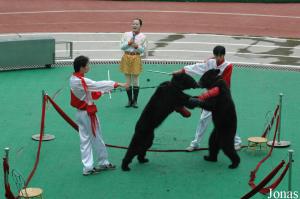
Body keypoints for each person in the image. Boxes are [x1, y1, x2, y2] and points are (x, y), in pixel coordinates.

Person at [173, 45, 242, 151]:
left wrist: (203, 96)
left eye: (220, 56)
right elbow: (197, 67)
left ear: (224, 55)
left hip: (223, 97)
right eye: (216, 56)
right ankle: (195, 144)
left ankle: (237, 142)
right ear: (214, 55)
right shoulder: (210, 63)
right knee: (203, 119)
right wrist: (182, 71)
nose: (218, 58)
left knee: (227, 120)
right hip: (210, 96)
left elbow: (221, 86)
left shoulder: (228, 66)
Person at [70, 55, 127, 175]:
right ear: (82, 67)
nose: (89, 67)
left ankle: (88, 167)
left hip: (81, 114)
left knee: (85, 140)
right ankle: (103, 162)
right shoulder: (81, 81)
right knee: (97, 137)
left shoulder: (74, 79)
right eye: (87, 65)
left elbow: (91, 91)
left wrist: (105, 90)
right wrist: (117, 84)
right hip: (88, 115)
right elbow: (96, 85)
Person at [120, 18, 147, 108]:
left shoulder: (143, 37)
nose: (134, 25)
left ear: (140, 26)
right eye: (133, 24)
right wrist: (128, 43)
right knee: (127, 81)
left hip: (136, 57)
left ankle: (135, 101)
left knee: (135, 80)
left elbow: (143, 50)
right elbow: (121, 47)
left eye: (137, 24)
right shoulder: (126, 34)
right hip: (126, 57)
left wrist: (137, 46)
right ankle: (129, 100)